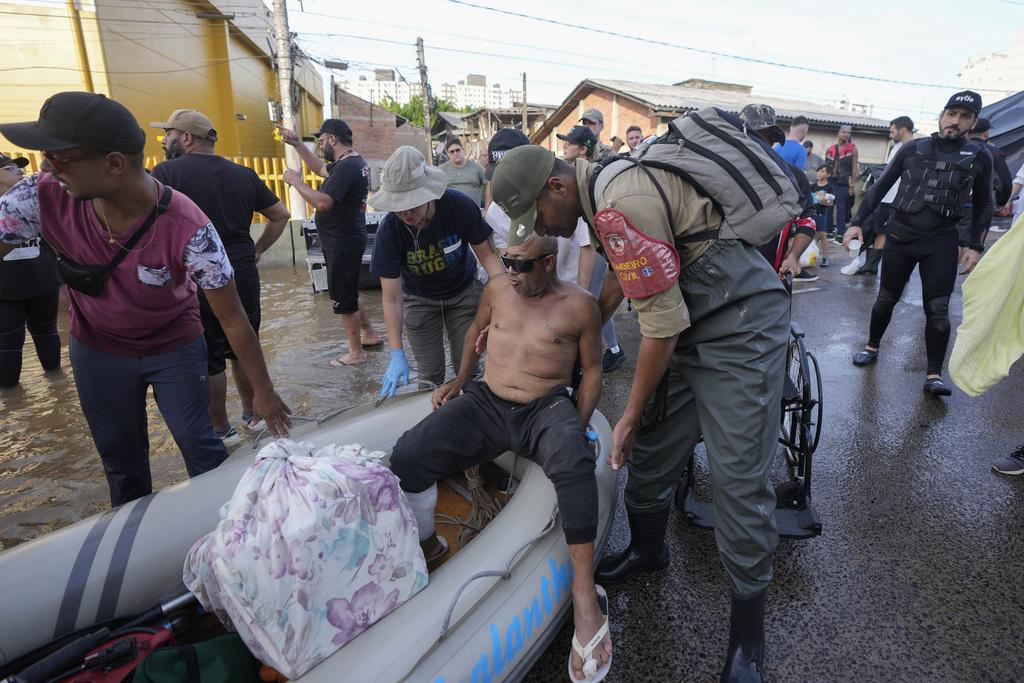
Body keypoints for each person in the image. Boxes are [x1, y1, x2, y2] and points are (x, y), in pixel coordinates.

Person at [492, 143, 789, 681]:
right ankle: (650, 551)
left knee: (737, 479)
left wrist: (625, 413)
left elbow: (660, 326)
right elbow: (621, 280)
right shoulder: (598, 193)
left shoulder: (618, 199)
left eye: (537, 215)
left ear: (557, 187)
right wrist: (580, 333)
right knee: (652, 452)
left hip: (738, 327)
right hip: (688, 322)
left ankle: (749, 638)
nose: (543, 230)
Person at [0, 92, 290, 506]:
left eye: (59, 158)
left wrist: (263, 391)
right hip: (97, 350)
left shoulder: (189, 226)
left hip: (174, 347)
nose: (47, 167)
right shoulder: (38, 196)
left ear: (114, 163)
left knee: (201, 446)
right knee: (121, 462)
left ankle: (226, 529)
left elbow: (232, 318)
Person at [389, 234, 610, 681]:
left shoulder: (580, 304)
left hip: (544, 408)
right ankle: (429, 542)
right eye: (507, 260)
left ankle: (585, 597)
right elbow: (474, 331)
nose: (510, 270)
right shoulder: (497, 289)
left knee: (574, 464)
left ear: (549, 263)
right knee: (408, 454)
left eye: (522, 264)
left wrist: (580, 422)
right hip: (488, 402)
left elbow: (593, 369)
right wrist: (459, 379)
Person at [150, 109, 290, 439]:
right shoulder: (243, 174)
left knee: (209, 356)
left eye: (167, 133)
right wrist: (257, 250)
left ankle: (221, 429)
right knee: (244, 343)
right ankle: (253, 417)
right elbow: (281, 215)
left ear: (185, 137)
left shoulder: (166, 172)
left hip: (194, 277)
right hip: (241, 270)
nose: (164, 139)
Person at [843, 91, 993, 397]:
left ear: (973, 122)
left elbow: (983, 205)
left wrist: (975, 245)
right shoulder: (913, 148)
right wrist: (856, 223)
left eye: (965, 116)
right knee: (886, 298)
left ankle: (934, 374)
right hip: (900, 236)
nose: (956, 121)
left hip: (941, 241)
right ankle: (872, 347)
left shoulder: (980, 156)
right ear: (941, 115)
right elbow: (881, 186)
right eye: (951, 113)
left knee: (938, 309)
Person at [369, 146, 502, 396]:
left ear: (429, 194)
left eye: (413, 204)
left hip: (463, 292)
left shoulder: (458, 206)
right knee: (430, 375)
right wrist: (396, 352)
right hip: (419, 299)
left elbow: (488, 257)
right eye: (399, 206)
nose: (406, 213)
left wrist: (507, 298)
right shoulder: (389, 231)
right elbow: (391, 298)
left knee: (470, 366)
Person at [279, 119, 381, 367]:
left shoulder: (347, 168)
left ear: (333, 139)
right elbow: (319, 170)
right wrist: (296, 145)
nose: (320, 145)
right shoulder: (350, 163)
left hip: (342, 240)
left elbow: (323, 203)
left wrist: (295, 182)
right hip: (345, 237)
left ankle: (355, 353)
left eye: (321, 140)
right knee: (348, 290)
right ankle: (369, 334)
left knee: (341, 297)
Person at [0, 152, 61, 388]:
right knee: (7, 345)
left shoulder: (35, 203)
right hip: (5, 292)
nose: (21, 172)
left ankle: (58, 391)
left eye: (20, 168)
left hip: (42, 284)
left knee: (48, 336)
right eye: (11, 168)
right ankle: (11, 401)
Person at [742, 105, 819, 276]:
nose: (750, 144)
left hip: (772, 277)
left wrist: (793, 256)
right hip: (726, 280)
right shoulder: (722, 173)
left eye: (758, 137)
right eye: (744, 137)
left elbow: (807, 219)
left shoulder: (794, 177)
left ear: (772, 139)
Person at [856, 115, 915, 275]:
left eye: (892, 131)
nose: (890, 135)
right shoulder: (896, 147)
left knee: (895, 234)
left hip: (901, 200)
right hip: (886, 197)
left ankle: (896, 269)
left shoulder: (915, 148)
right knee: (879, 230)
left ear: (902, 130)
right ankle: (871, 265)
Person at [960, 117, 1011, 239]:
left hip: (951, 204)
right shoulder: (994, 152)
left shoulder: (957, 149)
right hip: (980, 206)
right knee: (971, 244)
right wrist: (1001, 202)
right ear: (986, 132)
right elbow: (1004, 183)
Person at [825, 124, 859, 236]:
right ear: (838, 133)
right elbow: (825, 167)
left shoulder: (853, 149)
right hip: (830, 182)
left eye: (849, 133)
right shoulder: (830, 149)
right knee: (828, 207)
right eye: (844, 132)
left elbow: (854, 168)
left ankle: (840, 233)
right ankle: (828, 231)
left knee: (841, 209)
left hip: (843, 183)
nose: (846, 134)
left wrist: (852, 186)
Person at [439, 138, 486, 208]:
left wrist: (486, 209)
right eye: (452, 151)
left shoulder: (476, 167)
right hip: (452, 212)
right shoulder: (442, 169)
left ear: (462, 149)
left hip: (473, 212)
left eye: (458, 150)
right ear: (448, 154)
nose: (455, 153)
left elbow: (488, 184)